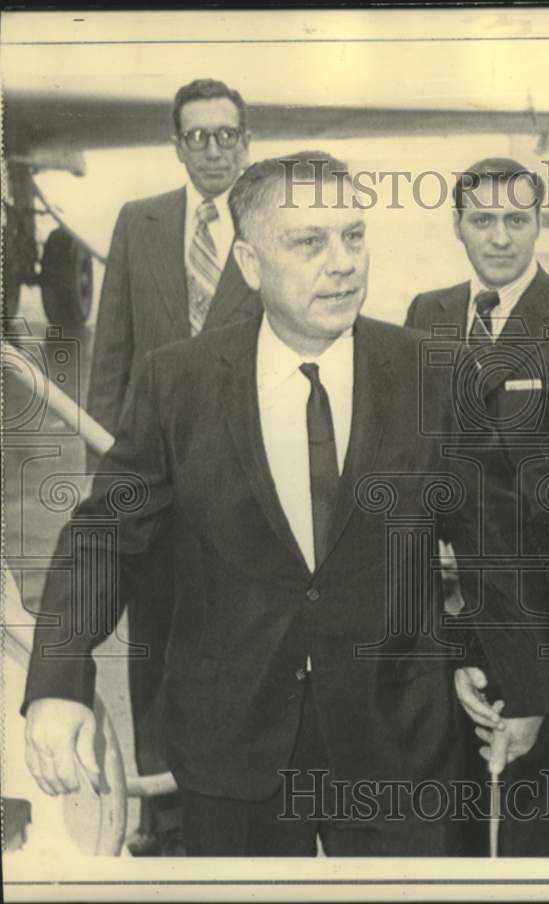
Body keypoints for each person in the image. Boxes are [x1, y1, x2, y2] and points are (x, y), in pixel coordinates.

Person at [22, 152, 549, 857]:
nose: (343, 263)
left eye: (353, 236)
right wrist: (59, 682)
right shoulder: (177, 383)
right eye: (310, 242)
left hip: (399, 747)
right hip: (233, 751)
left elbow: (497, 544)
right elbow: (103, 538)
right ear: (248, 261)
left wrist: (523, 689)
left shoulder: (435, 375)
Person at [405, 158, 549, 856]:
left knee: (525, 787)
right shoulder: (425, 314)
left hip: (526, 604)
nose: (501, 238)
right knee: (445, 788)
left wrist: (445, 478)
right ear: (458, 225)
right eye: (484, 220)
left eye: (517, 221)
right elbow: (409, 451)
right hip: (438, 601)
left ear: (540, 225)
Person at [85, 77, 259, 854]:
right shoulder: (139, 223)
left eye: (227, 135)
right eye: (199, 136)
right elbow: (110, 356)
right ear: (178, 143)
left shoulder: (270, 224)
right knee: (151, 661)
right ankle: (160, 825)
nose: (214, 149)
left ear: (246, 143)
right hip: (152, 494)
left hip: (240, 494)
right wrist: (107, 485)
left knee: (237, 659)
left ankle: (231, 817)